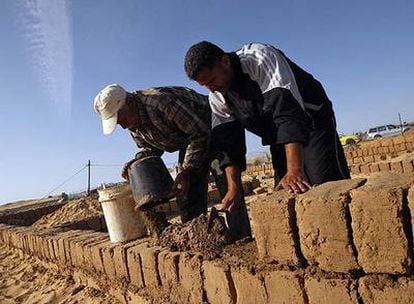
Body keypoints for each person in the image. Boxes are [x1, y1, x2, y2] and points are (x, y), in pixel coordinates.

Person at [184, 41, 350, 210]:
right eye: (206, 86)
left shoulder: (260, 59)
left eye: (212, 80)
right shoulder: (218, 97)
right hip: (277, 135)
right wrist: (234, 188)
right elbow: (229, 145)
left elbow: (287, 111)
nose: (212, 90)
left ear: (225, 61)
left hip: (312, 119)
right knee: (286, 194)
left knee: (325, 185)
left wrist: (294, 169)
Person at [94, 84, 212, 223]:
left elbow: (199, 134)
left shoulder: (160, 102)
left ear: (130, 102)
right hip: (189, 141)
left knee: (227, 182)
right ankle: (199, 235)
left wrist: (186, 170)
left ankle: (240, 236)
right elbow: (154, 150)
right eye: (119, 124)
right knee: (186, 195)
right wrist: (136, 163)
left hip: (215, 124)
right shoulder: (134, 126)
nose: (124, 126)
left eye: (123, 119)